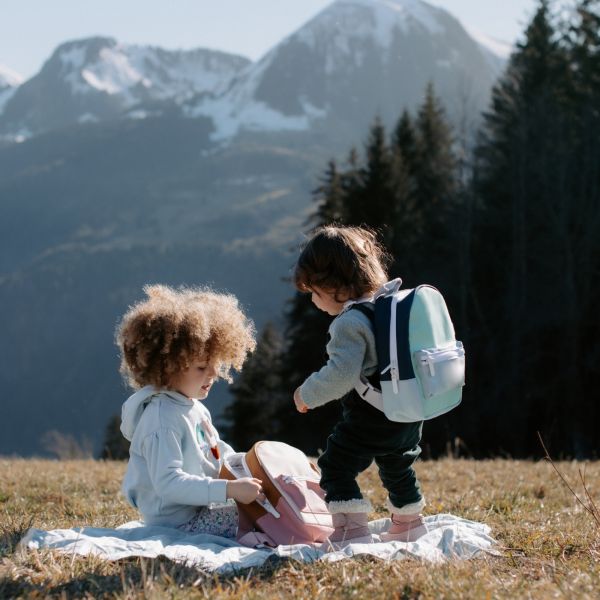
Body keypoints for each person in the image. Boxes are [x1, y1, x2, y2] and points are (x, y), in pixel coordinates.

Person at [293, 225, 427, 543]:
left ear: (334, 286)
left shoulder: (350, 322)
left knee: (335, 464)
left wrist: (306, 393)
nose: (312, 300)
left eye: (314, 291)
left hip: (373, 417)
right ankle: (409, 524)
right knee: (398, 463)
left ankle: (352, 532)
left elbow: (340, 374)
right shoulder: (387, 306)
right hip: (409, 409)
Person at [116, 284, 261, 537]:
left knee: (267, 507)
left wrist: (252, 467)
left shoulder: (194, 407)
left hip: (199, 512)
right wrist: (230, 490)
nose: (214, 374)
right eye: (202, 367)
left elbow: (215, 452)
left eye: (215, 364)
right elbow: (169, 484)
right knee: (263, 519)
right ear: (167, 366)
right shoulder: (162, 419)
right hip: (177, 525)